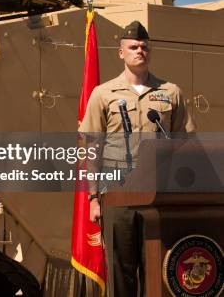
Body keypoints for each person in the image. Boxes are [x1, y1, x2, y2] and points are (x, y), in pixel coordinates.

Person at [79, 20, 195, 295]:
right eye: (133, 47)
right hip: (119, 194)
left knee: (159, 266)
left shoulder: (170, 92)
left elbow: (186, 143)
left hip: (161, 195)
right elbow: (91, 147)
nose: (139, 51)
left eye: (144, 47)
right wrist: (93, 198)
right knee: (122, 269)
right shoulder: (103, 94)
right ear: (121, 53)